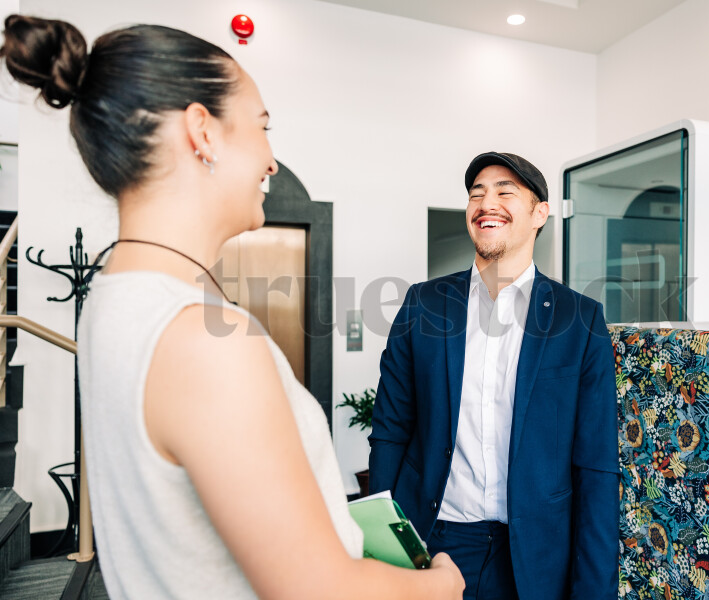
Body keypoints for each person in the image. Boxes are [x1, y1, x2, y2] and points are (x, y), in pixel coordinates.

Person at [0, 14, 464, 600]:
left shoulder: (113, 298)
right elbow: (320, 591)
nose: (271, 160)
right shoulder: (200, 340)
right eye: (262, 127)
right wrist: (443, 587)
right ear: (203, 131)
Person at [369, 152, 619, 600]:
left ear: (540, 213)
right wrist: (386, 545)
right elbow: (389, 432)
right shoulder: (422, 305)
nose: (487, 203)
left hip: (536, 556)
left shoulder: (579, 319)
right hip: (435, 543)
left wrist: (593, 590)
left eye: (505, 192)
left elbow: (596, 468)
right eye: (476, 194)